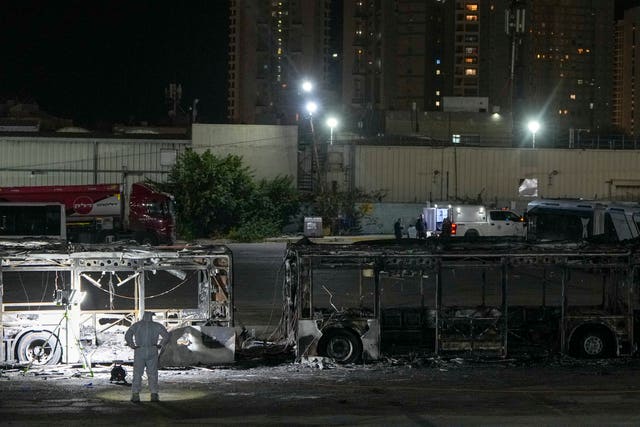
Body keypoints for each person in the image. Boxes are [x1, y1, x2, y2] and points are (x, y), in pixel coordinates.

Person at [125, 311, 170, 403]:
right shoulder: (157, 325)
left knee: (137, 373)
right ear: (151, 316)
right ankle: (154, 394)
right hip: (152, 350)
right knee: (153, 373)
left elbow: (128, 335)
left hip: (139, 350)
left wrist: (132, 345)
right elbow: (166, 336)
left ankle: (135, 394)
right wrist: (160, 345)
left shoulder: (137, 325)